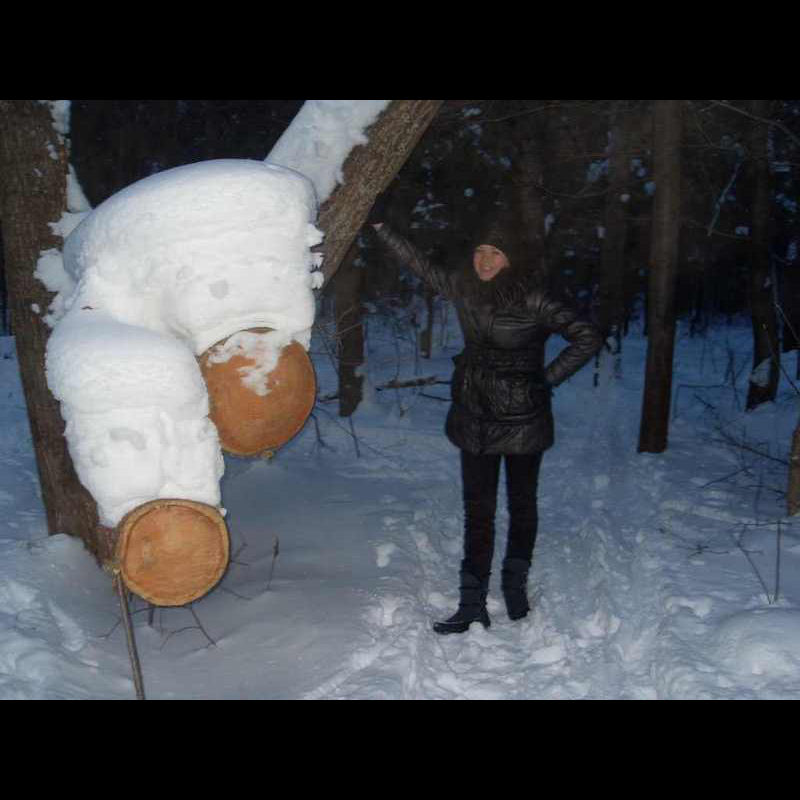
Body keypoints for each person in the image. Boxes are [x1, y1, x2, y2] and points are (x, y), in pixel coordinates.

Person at [369, 215, 603, 635]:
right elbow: (423, 267)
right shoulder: (466, 289)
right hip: (474, 417)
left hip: (523, 420)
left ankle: (514, 586)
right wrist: (383, 228)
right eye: (480, 251)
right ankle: (471, 602)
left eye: (495, 252)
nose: (485, 259)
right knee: (478, 512)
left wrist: (544, 379)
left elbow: (586, 336)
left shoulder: (534, 297)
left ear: (510, 258)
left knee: (521, 505)